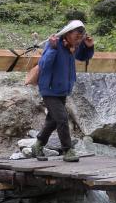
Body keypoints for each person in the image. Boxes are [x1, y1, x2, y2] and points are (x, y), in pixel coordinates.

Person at [30, 19, 94, 162]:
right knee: (63, 118)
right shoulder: (55, 43)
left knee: (53, 120)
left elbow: (82, 56)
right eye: (76, 36)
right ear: (68, 33)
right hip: (49, 88)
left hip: (62, 89)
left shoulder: (71, 46)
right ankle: (68, 150)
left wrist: (88, 47)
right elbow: (44, 65)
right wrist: (52, 48)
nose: (78, 40)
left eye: (80, 38)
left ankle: (38, 145)